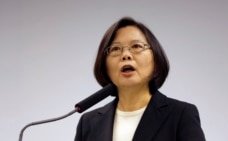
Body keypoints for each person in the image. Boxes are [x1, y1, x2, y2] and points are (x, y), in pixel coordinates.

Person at [75, 17, 206, 141]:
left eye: (136, 46)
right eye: (115, 49)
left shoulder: (181, 115)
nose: (126, 55)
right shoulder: (88, 123)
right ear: (104, 64)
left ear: (156, 58)